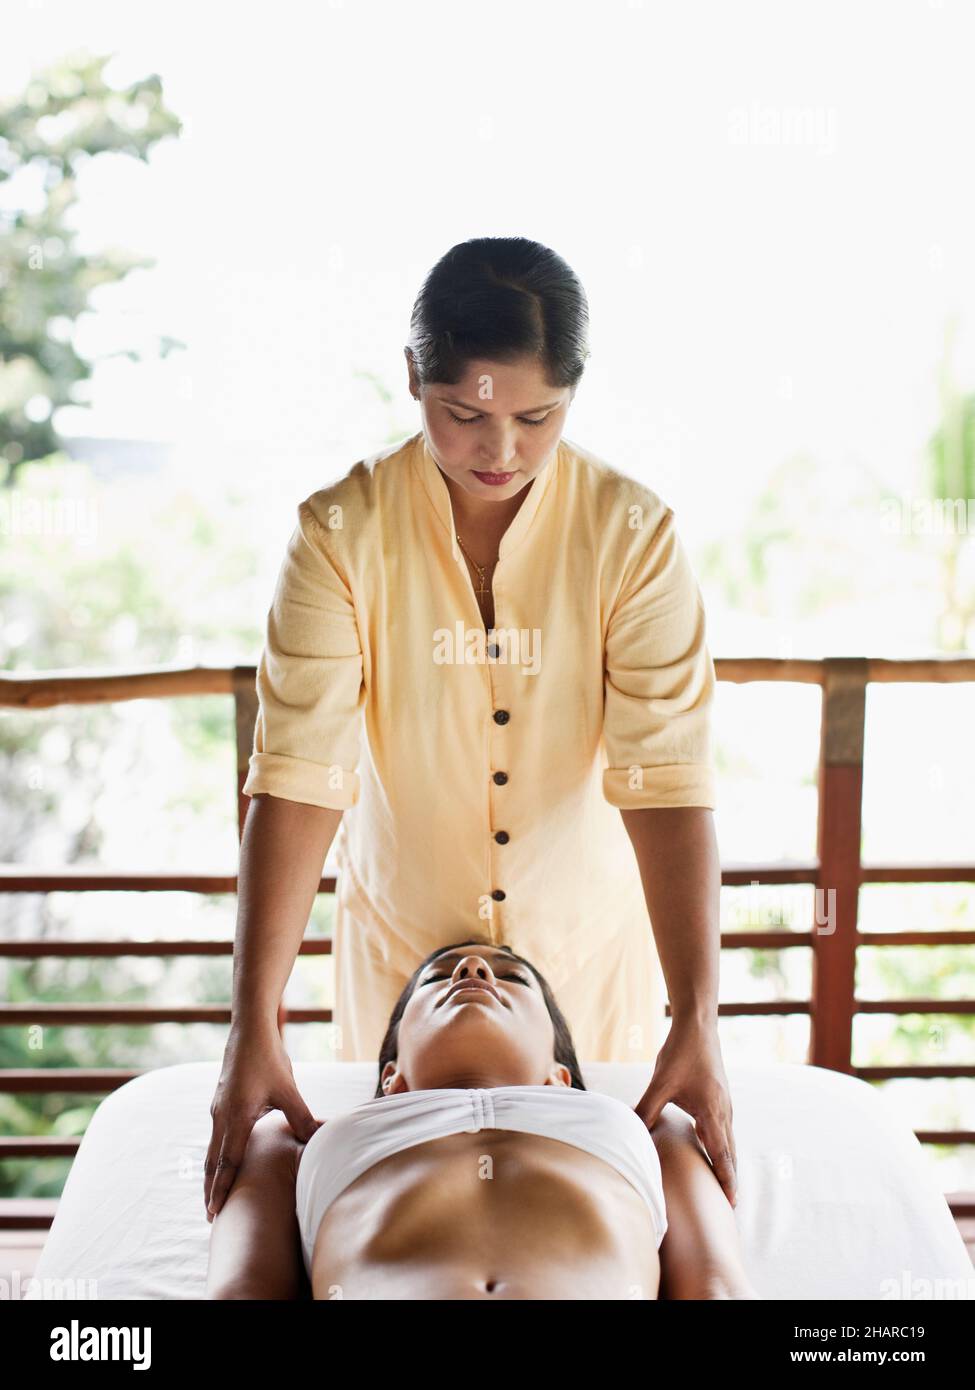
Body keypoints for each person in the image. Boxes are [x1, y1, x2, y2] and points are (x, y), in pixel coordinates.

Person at [205, 236, 735, 1225]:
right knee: (413, 1216)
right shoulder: (339, 532)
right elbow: (297, 776)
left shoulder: (632, 534)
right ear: (414, 377)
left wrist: (698, 1017)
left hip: (590, 960)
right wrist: (253, 1023)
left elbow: (667, 780)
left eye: (537, 418)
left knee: (582, 1220)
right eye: (466, 415)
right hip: (403, 974)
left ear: (573, 393)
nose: (501, 451)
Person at [206, 943, 758, 1301]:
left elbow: (716, 1285)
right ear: (392, 1077)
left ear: (558, 1076)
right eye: (436, 978)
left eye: (513, 977)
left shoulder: (655, 1130)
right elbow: (241, 1291)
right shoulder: (292, 1140)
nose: (474, 970)